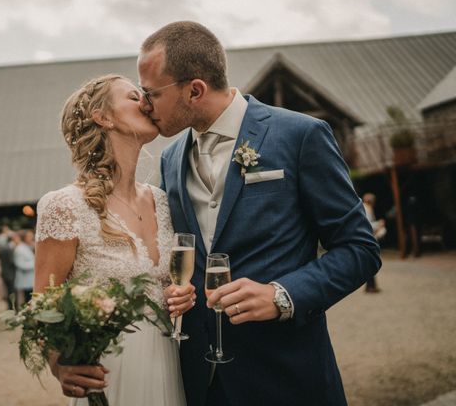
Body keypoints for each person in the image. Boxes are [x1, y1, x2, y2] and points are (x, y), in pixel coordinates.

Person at [137, 21, 381, 406]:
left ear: (195, 89)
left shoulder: (301, 135)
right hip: (201, 381)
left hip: (286, 374)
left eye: (151, 93)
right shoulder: (170, 159)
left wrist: (282, 296)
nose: (144, 105)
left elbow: (360, 249)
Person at [34, 74, 196, 405]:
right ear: (103, 117)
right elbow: (42, 306)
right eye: (134, 96)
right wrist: (58, 366)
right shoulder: (65, 206)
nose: (147, 102)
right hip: (109, 372)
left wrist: (182, 296)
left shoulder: (162, 201)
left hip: (166, 363)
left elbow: (165, 286)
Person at [362, 193, 385, 292]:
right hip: (367, 239)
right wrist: (378, 224)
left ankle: (370, 286)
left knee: (369, 262)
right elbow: (368, 225)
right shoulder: (367, 209)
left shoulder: (365, 208)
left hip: (366, 238)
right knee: (370, 262)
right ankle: (371, 286)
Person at [11, 230, 35, 306]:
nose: (32, 238)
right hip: (25, 281)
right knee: (27, 301)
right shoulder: (20, 249)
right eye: (30, 236)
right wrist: (36, 264)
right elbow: (20, 264)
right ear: (24, 238)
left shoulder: (27, 247)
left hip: (30, 280)